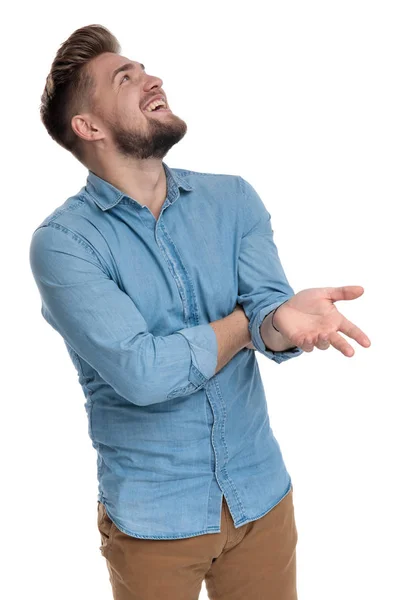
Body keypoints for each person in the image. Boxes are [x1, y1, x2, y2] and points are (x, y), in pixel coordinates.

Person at [29, 23, 371, 600]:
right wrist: (247, 324)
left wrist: (280, 323)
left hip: (260, 498)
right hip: (153, 524)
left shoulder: (232, 198)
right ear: (88, 127)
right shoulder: (65, 243)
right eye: (125, 78)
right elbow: (144, 373)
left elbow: (269, 315)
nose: (151, 78)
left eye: (144, 68)